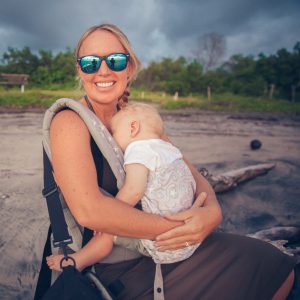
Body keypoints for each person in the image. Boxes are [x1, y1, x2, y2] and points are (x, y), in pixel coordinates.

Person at [36, 23, 295, 300]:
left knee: (273, 265)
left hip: (160, 246)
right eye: (90, 63)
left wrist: (212, 213)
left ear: (130, 68)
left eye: (115, 60)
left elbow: (185, 168)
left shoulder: (135, 117)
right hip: (111, 265)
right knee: (268, 268)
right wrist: (183, 229)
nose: (103, 70)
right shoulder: (69, 120)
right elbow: (91, 212)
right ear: (79, 70)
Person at [46, 103, 204, 272]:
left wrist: (108, 218)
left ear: (133, 128)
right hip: (190, 237)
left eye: (114, 133)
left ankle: (79, 260)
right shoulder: (169, 149)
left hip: (165, 244)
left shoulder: (138, 150)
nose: (113, 138)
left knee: (107, 233)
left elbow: (134, 190)